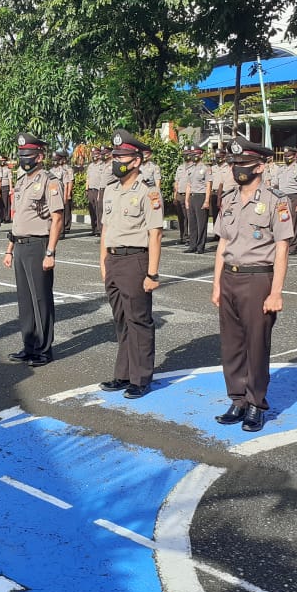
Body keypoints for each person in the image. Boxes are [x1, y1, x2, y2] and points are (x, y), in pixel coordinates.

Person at [212, 136, 294, 432]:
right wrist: (216, 284)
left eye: (244, 164)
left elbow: (282, 247)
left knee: (256, 345)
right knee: (231, 344)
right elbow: (223, 243)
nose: (237, 169)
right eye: (234, 164)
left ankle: (256, 403)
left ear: (260, 166)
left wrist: (276, 292)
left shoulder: (276, 200)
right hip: (230, 277)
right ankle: (237, 399)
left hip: (259, 278)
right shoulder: (229, 199)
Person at [98, 130, 164, 399]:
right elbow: (104, 228)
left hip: (136, 259)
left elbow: (156, 233)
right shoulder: (111, 190)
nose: (117, 161)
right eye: (115, 156)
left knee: (139, 321)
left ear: (136, 161)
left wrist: (152, 272)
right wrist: (103, 263)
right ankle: (123, 374)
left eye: (122, 157)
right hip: (113, 260)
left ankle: (140, 378)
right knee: (121, 321)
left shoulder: (148, 192)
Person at [3, 132, 64, 366]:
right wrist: (9, 248)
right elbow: (18, 219)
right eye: (21, 155)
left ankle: (44, 349)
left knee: (41, 299)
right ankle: (28, 346)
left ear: (39, 156)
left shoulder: (50, 181)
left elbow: (57, 219)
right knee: (25, 300)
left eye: (27, 155)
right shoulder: (21, 182)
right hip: (20, 245)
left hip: (39, 245)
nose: (23, 159)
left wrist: (50, 252)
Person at [274, 147, 297, 250]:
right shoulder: (280, 169)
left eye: (288, 156)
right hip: (282, 197)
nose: (286, 158)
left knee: (294, 222)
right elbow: (276, 185)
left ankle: (292, 246)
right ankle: (284, 243)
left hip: (294, 197)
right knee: (283, 220)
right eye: (285, 156)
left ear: (294, 157)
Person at [184, 146, 211, 254]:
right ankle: (192, 245)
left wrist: (207, 200)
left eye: (196, 155)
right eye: (193, 155)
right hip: (193, 197)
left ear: (201, 155)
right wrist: (187, 200)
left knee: (201, 223)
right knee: (192, 223)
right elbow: (189, 185)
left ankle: (200, 246)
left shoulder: (205, 168)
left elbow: (208, 185)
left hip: (201, 196)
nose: (194, 157)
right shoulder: (190, 168)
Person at [50, 148, 74, 235]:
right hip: (53, 194)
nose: (54, 162)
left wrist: (67, 195)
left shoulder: (65, 170)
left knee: (64, 212)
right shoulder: (50, 171)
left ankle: (63, 229)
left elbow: (68, 183)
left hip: (61, 193)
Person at [85, 147, 106, 236]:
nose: (94, 156)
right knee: (92, 210)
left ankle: (99, 229)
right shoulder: (90, 166)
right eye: (93, 155)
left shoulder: (103, 165)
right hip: (91, 190)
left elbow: (103, 179)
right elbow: (88, 178)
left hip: (98, 190)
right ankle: (93, 229)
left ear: (100, 155)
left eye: (96, 155)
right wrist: (86, 189)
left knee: (99, 210)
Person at [173, 149, 191, 245]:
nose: (186, 157)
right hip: (180, 195)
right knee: (181, 217)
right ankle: (183, 237)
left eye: (187, 155)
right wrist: (175, 196)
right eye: (184, 155)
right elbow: (176, 182)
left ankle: (190, 238)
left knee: (189, 217)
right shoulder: (180, 167)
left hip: (189, 195)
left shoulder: (193, 167)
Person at [0, 153, 14, 224]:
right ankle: (1, 217)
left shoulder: (7, 169)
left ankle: (7, 218)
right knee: (0, 203)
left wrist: (10, 189)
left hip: (5, 186)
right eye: (0, 160)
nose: (2, 161)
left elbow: (10, 179)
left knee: (6, 203)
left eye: (3, 160)